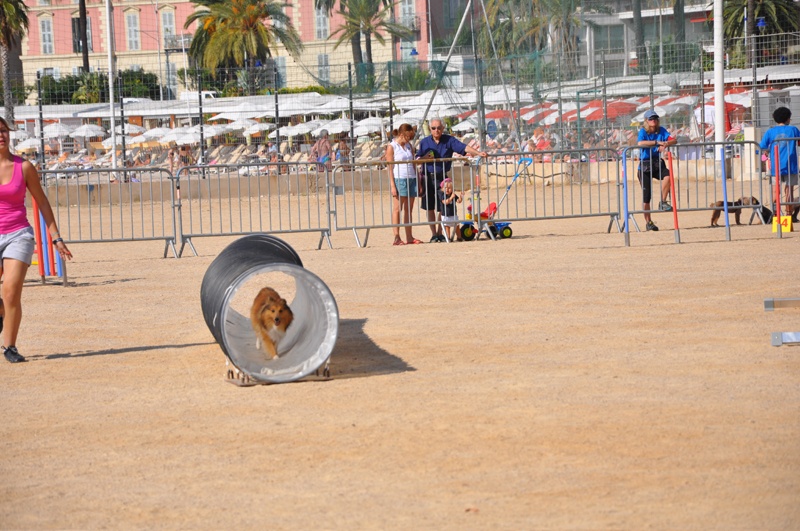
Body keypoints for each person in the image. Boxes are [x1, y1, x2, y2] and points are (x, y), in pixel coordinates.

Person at [0, 116, 73, 363]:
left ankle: (9, 347)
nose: (1, 135)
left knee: (11, 291)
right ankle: (2, 312)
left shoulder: (24, 167)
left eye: (3, 131)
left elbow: (41, 201)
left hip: (18, 234)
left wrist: (56, 237)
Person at [417, 117, 487, 242]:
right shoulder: (424, 142)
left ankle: (440, 232)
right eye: (433, 128)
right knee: (429, 207)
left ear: (443, 128)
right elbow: (416, 159)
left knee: (443, 207)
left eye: (439, 128)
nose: (436, 130)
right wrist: (424, 157)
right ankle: (434, 234)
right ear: (430, 129)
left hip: (442, 178)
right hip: (427, 176)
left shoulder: (449, 140)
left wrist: (478, 153)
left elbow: (464, 148)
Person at [637, 109, 676, 231]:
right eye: (650, 119)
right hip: (644, 166)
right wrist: (656, 142)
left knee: (668, 175)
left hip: (656, 163)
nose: (653, 121)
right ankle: (649, 222)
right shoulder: (643, 131)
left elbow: (673, 140)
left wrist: (665, 144)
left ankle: (663, 202)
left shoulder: (662, 130)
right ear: (646, 121)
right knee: (646, 197)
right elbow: (640, 143)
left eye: (655, 119)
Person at [759, 106, 800, 222]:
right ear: (788, 118)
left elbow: (762, 146)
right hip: (790, 165)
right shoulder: (793, 130)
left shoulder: (770, 132)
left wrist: (767, 152)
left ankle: (776, 215)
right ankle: (788, 215)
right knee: (789, 190)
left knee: (775, 190)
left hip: (775, 166)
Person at [386, 124, 421, 246]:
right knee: (397, 209)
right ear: (401, 134)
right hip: (399, 178)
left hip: (411, 177)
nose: (409, 139)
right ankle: (396, 236)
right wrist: (392, 185)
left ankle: (409, 236)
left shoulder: (409, 146)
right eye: (408, 137)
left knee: (409, 210)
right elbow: (390, 167)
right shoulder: (392, 146)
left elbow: (412, 164)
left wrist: (418, 180)